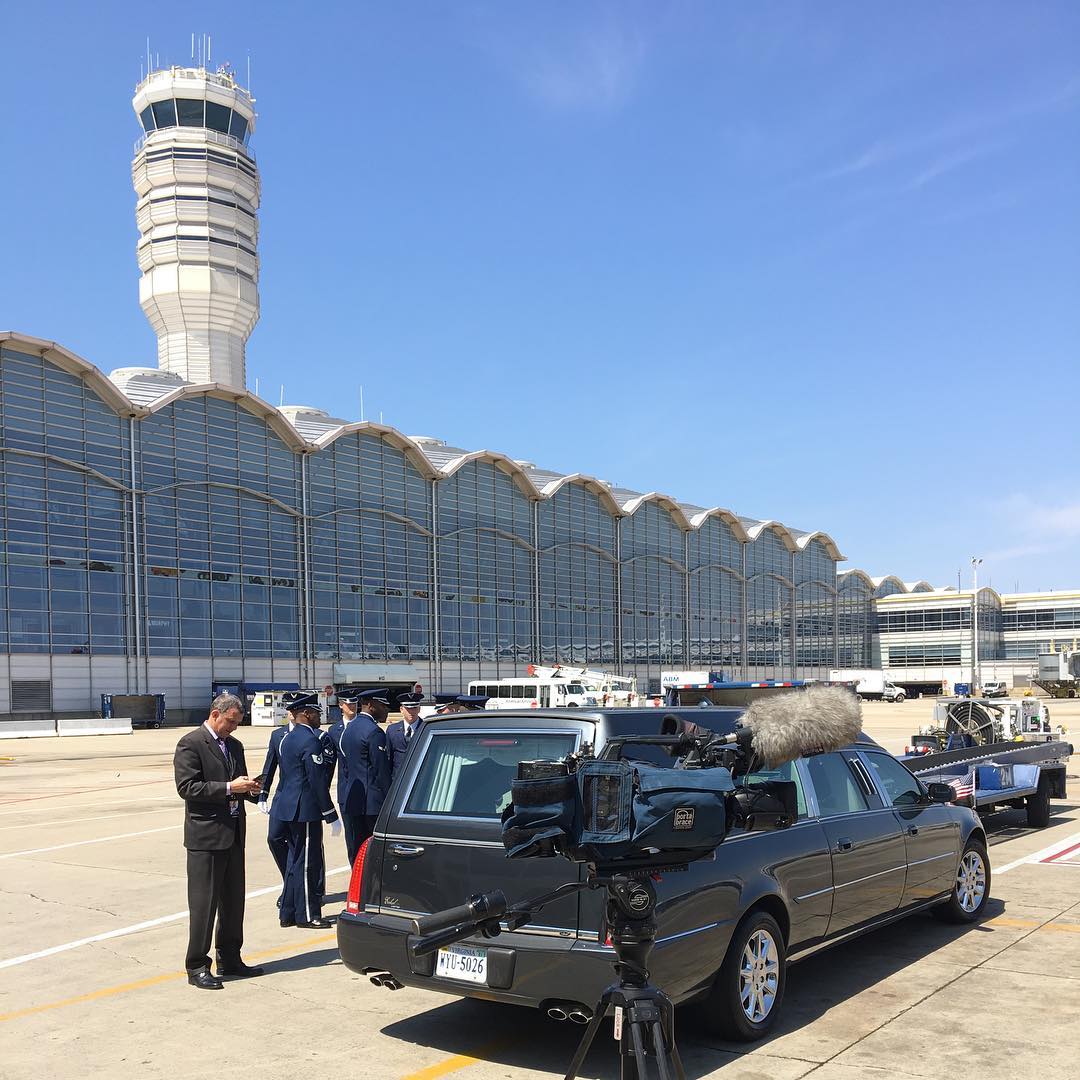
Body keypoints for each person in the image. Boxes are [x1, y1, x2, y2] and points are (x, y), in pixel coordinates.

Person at [173, 693, 264, 989]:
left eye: (237, 723)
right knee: (204, 904)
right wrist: (228, 787)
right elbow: (187, 787)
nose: (233, 728)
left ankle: (230, 957)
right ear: (215, 714)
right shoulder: (191, 743)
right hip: (206, 837)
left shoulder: (234, 745)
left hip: (234, 832)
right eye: (230, 722)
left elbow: (237, 784)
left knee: (234, 902)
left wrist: (250, 789)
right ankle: (197, 965)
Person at [270, 691, 341, 929]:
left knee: (295, 861)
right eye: (316, 714)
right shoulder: (310, 741)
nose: (319, 718)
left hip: (288, 807)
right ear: (307, 714)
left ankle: (288, 912)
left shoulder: (287, 739)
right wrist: (330, 814)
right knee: (308, 863)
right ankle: (309, 914)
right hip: (305, 809)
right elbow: (317, 780)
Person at [338, 687, 392, 865]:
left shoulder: (349, 729)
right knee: (374, 853)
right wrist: (391, 801)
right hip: (373, 805)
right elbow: (381, 772)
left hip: (354, 800)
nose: (386, 709)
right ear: (370, 705)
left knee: (357, 850)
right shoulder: (374, 732)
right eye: (382, 705)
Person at [386, 690, 424, 780]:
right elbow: (388, 758)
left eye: (414, 708)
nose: (411, 712)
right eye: (408, 708)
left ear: (419, 709)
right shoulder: (392, 730)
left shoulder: (425, 728)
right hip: (397, 780)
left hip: (420, 779)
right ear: (401, 710)